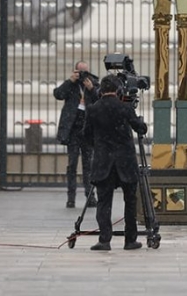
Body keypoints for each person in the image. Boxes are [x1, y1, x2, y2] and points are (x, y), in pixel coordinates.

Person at [82, 75, 148, 251]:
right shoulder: (124, 107)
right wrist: (141, 123)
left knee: (104, 202)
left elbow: (86, 135)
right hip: (125, 161)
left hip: (103, 162)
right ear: (118, 90)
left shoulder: (93, 109)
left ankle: (104, 240)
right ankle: (130, 240)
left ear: (100, 90)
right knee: (130, 201)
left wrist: (100, 146)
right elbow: (140, 128)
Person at [53, 60, 100, 208]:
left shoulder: (94, 84)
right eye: (79, 72)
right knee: (72, 165)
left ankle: (90, 196)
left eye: (84, 71)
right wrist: (69, 81)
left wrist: (91, 88)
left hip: (87, 131)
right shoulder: (71, 85)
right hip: (73, 131)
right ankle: (71, 198)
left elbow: (101, 100)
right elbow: (58, 94)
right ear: (75, 71)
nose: (82, 75)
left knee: (89, 166)